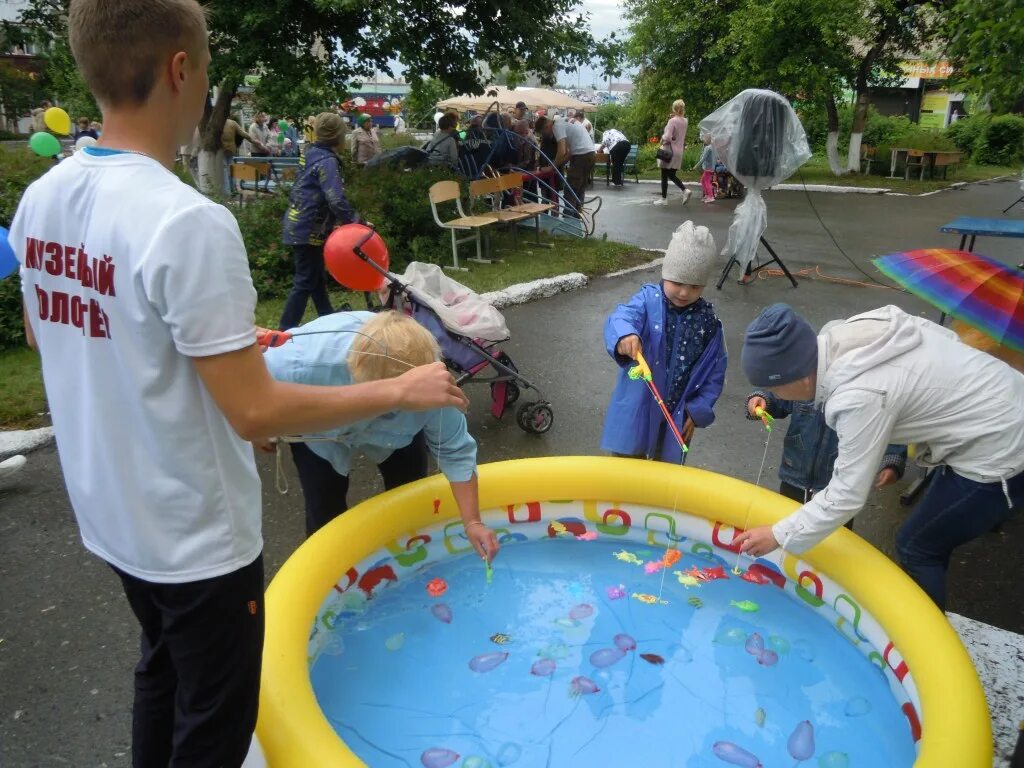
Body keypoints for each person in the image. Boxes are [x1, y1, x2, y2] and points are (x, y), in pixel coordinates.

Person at [9, 1, 468, 766]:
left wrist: (199, 346)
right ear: (180, 69)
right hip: (194, 535)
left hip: (111, 512)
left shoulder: (44, 197)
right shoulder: (187, 221)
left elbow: (47, 330)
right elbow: (258, 413)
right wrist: (399, 391)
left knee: (160, 671)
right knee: (216, 721)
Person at [734, 304, 1024, 609]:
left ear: (801, 378)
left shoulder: (858, 396)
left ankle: (922, 644)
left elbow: (846, 495)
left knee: (917, 546)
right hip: (1001, 402)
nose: (775, 395)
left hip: (1003, 444)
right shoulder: (844, 337)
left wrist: (778, 534)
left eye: (774, 387)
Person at [263, 311, 500, 559]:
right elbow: (247, 396)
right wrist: (264, 426)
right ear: (355, 371)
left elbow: (455, 450)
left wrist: (473, 522)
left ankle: (411, 557)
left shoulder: (433, 387)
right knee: (324, 504)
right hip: (323, 430)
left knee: (409, 492)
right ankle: (329, 576)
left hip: (397, 436)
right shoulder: (301, 364)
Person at [601, 222, 727, 464]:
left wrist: (699, 408)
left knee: (665, 481)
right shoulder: (647, 301)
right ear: (665, 273)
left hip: (678, 415)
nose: (684, 293)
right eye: (678, 282)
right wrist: (625, 335)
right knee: (626, 471)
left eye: (694, 286)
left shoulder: (708, 321)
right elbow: (622, 316)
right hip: (639, 406)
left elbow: (716, 371)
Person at [744, 390, 907, 515]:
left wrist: (892, 461)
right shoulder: (806, 374)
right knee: (785, 524)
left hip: (840, 484)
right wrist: (762, 399)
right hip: (794, 475)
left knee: (833, 540)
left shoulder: (868, 387)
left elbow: (887, 423)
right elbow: (780, 394)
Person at [279, 112, 360, 330]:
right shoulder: (327, 161)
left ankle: (327, 317)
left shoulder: (312, 153)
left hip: (301, 224)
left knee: (315, 278)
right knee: (305, 280)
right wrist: (354, 221)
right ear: (338, 137)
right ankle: (283, 332)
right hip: (308, 228)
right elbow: (334, 197)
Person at [534, 115, 594, 219]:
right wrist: (557, 165)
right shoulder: (564, 122)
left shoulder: (557, 126)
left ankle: (567, 222)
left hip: (580, 156)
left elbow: (562, 151)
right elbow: (568, 152)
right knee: (579, 189)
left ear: (547, 127)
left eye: (544, 133)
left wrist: (551, 167)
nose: (546, 136)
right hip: (590, 154)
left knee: (570, 190)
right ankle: (577, 219)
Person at [655, 98, 691, 206]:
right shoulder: (685, 121)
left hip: (669, 151)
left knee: (664, 175)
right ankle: (684, 190)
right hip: (679, 151)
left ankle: (664, 199)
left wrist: (662, 136)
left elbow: (667, 137)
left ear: (674, 108)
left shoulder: (672, 121)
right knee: (671, 175)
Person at [220, 112, 250, 193]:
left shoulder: (218, 123)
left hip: (221, 150)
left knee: (224, 170)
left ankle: (227, 191)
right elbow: (243, 134)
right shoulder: (233, 123)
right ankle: (234, 188)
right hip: (232, 149)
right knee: (231, 169)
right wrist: (253, 140)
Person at [694, 132, 718, 203]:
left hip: (708, 168)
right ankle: (707, 195)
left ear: (707, 139)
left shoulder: (708, 148)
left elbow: (703, 159)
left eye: (704, 138)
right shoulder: (712, 147)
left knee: (707, 182)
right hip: (711, 168)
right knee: (703, 181)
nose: (703, 140)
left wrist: (696, 166)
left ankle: (710, 196)